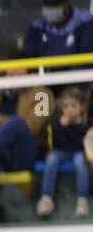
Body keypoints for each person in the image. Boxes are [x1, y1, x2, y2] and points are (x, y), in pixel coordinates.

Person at [37, 86, 90, 219]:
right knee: (51, 158)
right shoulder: (57, 122)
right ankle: (46, 198)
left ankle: (82, 200)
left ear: (82, 107)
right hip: (61, 151)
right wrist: (62, 126)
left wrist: (71, 127)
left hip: (78, 151)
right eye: (66, 107)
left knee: (80, 162)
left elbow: (81, 143)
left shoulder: (86, 123)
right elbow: (56, 144)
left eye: (73, 106)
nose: (69, 110)